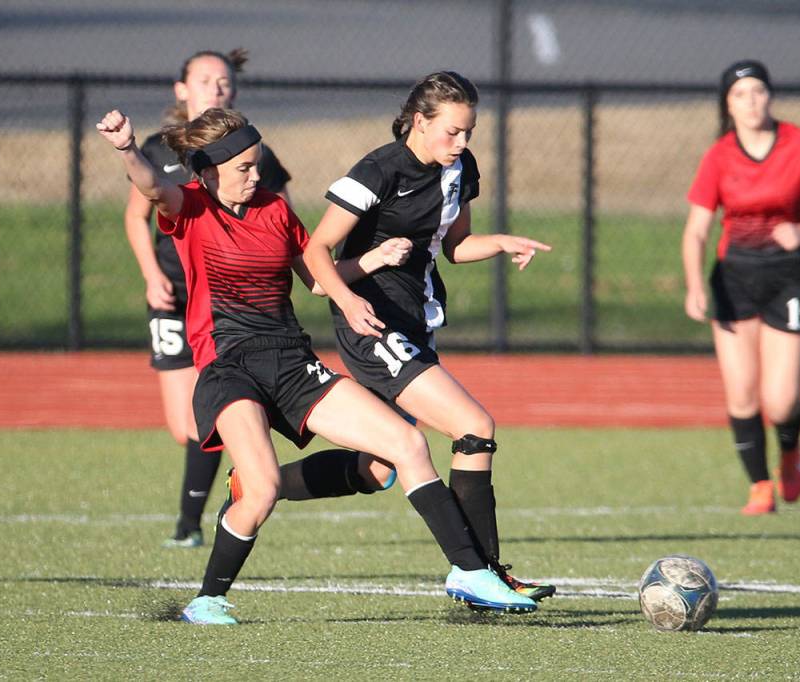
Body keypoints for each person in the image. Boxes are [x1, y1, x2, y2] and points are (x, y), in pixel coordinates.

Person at [96, 106, 537, 624]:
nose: (256, 175)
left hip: (290, 360)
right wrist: (127, 148)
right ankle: (209, 597)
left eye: (256, 163)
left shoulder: (274, 210)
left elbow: (314, 272)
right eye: (243, 167)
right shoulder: (189, 206)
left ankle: (468, 571)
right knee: (261, 490)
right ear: (210, 170)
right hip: (229, 366)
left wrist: (368, 264)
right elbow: (151, 188)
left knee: (407, 444)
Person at [303, 71, 557, 603]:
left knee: (377, 467)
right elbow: (314, 252)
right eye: (453, 132)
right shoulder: (377, 170)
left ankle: (258, 485)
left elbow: (456, 245)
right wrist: (349, 302)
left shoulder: (459, 168)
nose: (462, 143)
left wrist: (502, 242)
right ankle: (483, 573)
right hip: (372, 325)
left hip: (416, 323)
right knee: (474, 426)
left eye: (469, 132)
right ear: (419, 122)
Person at [124, 48, 292, 548]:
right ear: (182, 89)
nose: (215, 88)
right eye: (204, 80)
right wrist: (151, 273)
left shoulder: (250, 152)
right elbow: (138, 213)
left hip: (225, 304)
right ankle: (240, 480)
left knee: (212, 409)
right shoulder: (157, 150)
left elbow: (280, 220)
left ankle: (196, 520)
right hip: (174, 294)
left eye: (223, 81)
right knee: (185, 426)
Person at [681, 60, 800, 515]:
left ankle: (790, 452)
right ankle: (759, 485)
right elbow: (697, 229)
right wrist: (695, 284)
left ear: (770, 96)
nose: (751, 101)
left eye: (758, 91)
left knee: (781, 400)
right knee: (742, 394)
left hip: (789, 276)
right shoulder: (719, 155)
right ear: (727, 105)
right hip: (735, 279)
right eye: (740, 94)